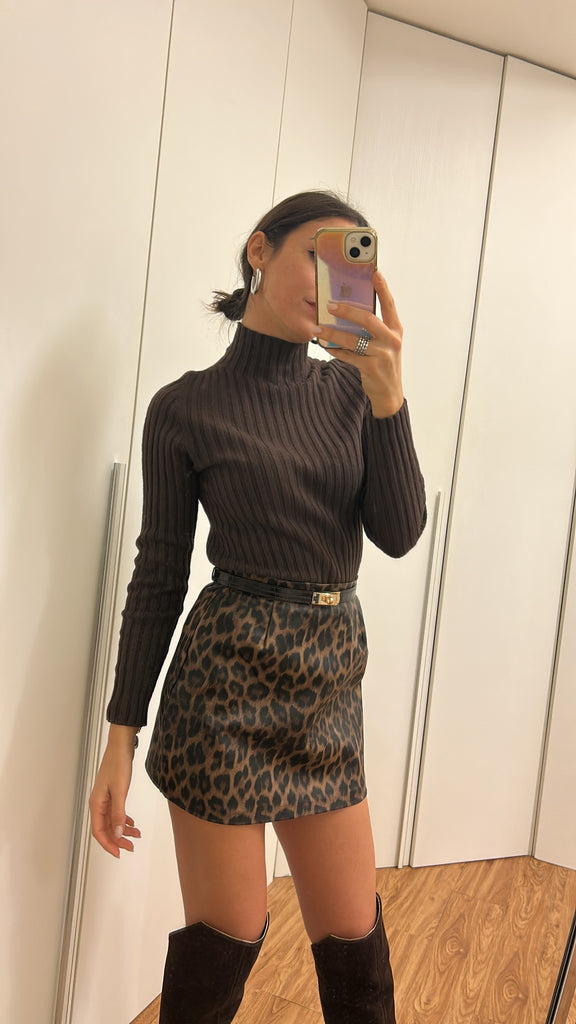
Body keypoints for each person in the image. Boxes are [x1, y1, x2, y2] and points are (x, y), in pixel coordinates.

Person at [89, 190, 427, 1024]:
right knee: (226, 941)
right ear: (258, 251)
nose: (328, 278)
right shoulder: (185, 408)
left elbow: (399, 532)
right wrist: (120, 737)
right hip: (222, 691)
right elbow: (159, 575)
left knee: (357, 951)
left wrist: (389, 397)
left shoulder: (352, 393)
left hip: (327, 690)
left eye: (347, 263)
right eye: (315, 253)